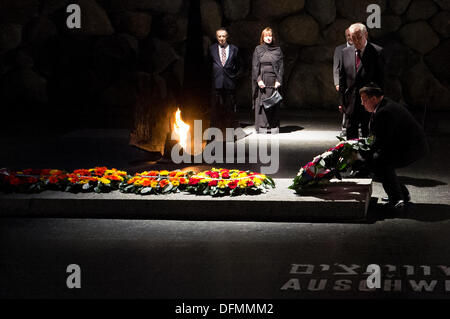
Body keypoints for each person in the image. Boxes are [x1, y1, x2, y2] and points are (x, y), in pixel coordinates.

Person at [359, 84, 428, 211]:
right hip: (405, 144)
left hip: (412, 147)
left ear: (373, 99)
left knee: (379, 162)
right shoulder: (384, 105)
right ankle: (402, 194)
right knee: (376, 161)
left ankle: (397, 199)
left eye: (364, 100)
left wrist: (362, 154)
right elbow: (377, 137)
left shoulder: (385, 112)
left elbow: (381, 141)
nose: (362, 103)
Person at [338, 23, 384, 140]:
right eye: (353, 38)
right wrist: (342, 102)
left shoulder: (377, 52)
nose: (356, 41)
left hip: (369, 103)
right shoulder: (345, 52)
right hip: (351, 104)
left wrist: (378, 103)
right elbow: (342, 79)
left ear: (366, 35)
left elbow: (381, 80)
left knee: (368, 136)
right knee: (350, 139)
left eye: (359, 37)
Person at [252, 27, 284, 134]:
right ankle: (262, 126)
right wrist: (258, 80)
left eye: (270, 36)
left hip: (274, 80)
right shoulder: (258, 49)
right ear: (263, 37)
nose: (268, 38)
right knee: (262, 103)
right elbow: (255, 66)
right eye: (266, 36)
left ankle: (273, 125)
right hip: (263, 79)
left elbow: (281, 66)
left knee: (274, 102)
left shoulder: (277, 50)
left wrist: (279, 80)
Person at [209, 28, 240, 129]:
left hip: (229, 81)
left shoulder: (234, 49)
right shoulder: (212, 49)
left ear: (227, 36)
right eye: (219, 36)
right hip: (217, 82)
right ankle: (218, 128)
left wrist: (235, 75)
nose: (221, 38)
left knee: (230, 106)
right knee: (216, 107)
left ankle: (230, 127)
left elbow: (240, 64)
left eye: (223, 36)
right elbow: (207, 64)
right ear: (216, 37)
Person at [333, 28, 353, 137]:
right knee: (344, 106)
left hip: (354, 83)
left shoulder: (358, 48)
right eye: (347, 35)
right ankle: (344, 127)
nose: (349, 37)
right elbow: (336, 67)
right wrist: (337, 83)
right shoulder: (339, 49)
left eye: (351, 35)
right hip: (343, 83)